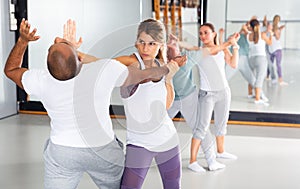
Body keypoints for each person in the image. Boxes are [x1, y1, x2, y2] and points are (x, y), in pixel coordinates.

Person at [4, 18, 177, 189]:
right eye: (142, 42)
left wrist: (23, 41)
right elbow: (139, 75)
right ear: (77, 58)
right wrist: (166, 71)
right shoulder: (103, 70)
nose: (146, 48)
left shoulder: (42, 80)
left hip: (64, 153)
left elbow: (10, 70)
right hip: (103, 151)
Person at [114, 18, 183, 189]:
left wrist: (168, 79)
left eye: (152, 43)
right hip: (139, 143)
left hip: (167, 139)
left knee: (173, 185)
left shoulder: (163, 66)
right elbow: (104, 65)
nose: (145, 48)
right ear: (136, 42)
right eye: (142, 42)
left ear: (161, 44)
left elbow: (166, 106)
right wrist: (76, 54)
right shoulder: (130, 63)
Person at [178, 23, 240, 171]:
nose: (203, 36)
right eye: (200, 33)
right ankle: (193, 161)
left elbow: (233, 64)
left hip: (223, 92)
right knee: (202, 128)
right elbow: (188, 46)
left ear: (213, 34)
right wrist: (177, 42)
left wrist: (235, 46)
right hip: (207, 95)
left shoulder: (222, 49)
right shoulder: (201, 50)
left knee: (221, 123)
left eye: (206, 32)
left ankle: (221, 151)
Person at [166, 34, 226, 173]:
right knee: (158, 126)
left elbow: (207, 50)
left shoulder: (185, 59)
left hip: (188, 98)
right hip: (171, 99)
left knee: (200, 129)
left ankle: (211, 161)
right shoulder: (170, 62)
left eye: (174, 47)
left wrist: (227, 43)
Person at [248, 18, 272, 104]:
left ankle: (250, 93)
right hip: (261, 58)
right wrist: (271, 34)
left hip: (251, 58)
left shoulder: (249, 36)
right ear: (258, 26)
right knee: (259, 78)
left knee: (251, 76)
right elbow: (269, 43)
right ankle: (258, 98)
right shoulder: (262, 34)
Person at [268, 15, 287, 85]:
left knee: (270, 64)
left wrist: (279, 29)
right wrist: (279, 31)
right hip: (277, 48)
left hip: (271, 48)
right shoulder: (276, 29)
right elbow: (277, 37)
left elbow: (272, 34)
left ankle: (267, 76)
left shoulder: (270, 27)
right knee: (278, 64)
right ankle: (280, 80)